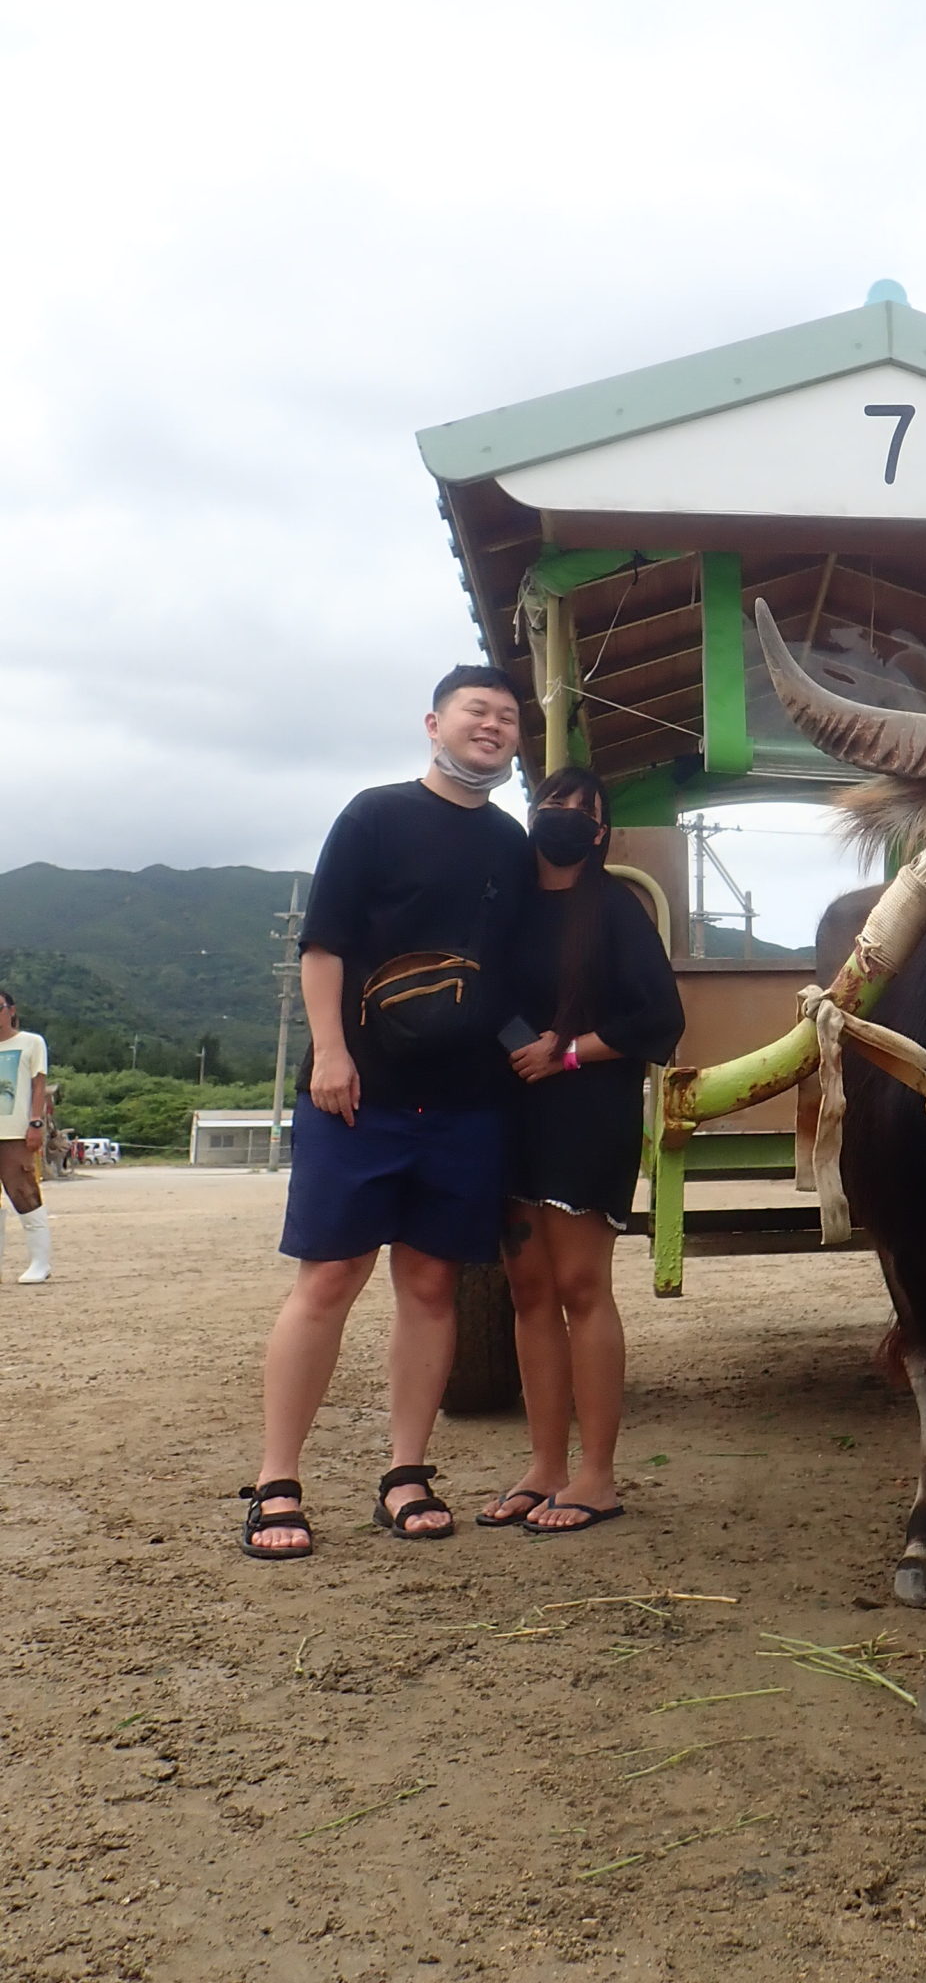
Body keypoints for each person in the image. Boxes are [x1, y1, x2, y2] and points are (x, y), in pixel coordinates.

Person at [241, 666, 533, 1559]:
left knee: (433, 1285)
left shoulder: (512, 845)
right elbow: (323, 944)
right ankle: (275, 1482)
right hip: (357, 1094)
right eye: (476, 711)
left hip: (464, 1103)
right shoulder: (373, 814)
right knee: (329, 1279)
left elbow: (512, 969)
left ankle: (406, 1473)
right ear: (433, 724)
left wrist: (544, 1044)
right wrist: (329, 1052)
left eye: (508, 718)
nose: (491, 725)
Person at [477, 767, 683, 1536]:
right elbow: (486, 996)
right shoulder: (507, 907)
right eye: (552, 802)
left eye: (580, 810)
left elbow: (659, 1016)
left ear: (600, 834)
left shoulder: (616, 910)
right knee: (527, 1289)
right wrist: (518, 1049)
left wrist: (563, 1055)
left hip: (588, 1108)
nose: (562, 815)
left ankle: (596, 1475)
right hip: (513, 1108)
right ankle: (545, 1466)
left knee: (579, 1285)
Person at [0, 989, 53, 1283]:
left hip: (15, 1133)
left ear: (11, 1009)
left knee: (23, 1191)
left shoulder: (31, 1043)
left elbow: (38, 1085)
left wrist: (35, 1122)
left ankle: (40, 1262)